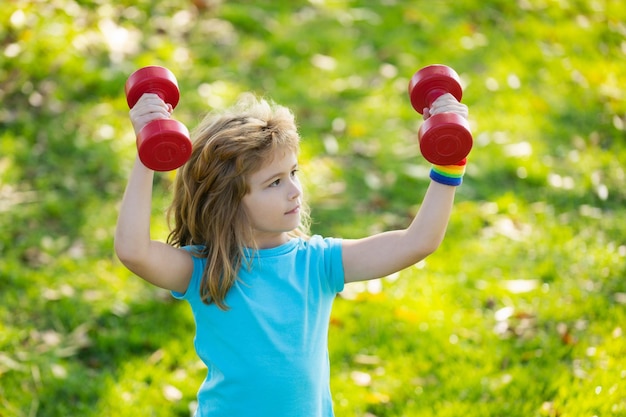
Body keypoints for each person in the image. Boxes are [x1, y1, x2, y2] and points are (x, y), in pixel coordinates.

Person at [114, 90, 469, 417]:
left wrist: (449, 163)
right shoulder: (205, 270)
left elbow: (417, 242)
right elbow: (133, 251)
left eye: (294, 172)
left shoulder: (318, 263)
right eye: (275, 182)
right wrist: (148, 154)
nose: (295, 190)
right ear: (227, 202)